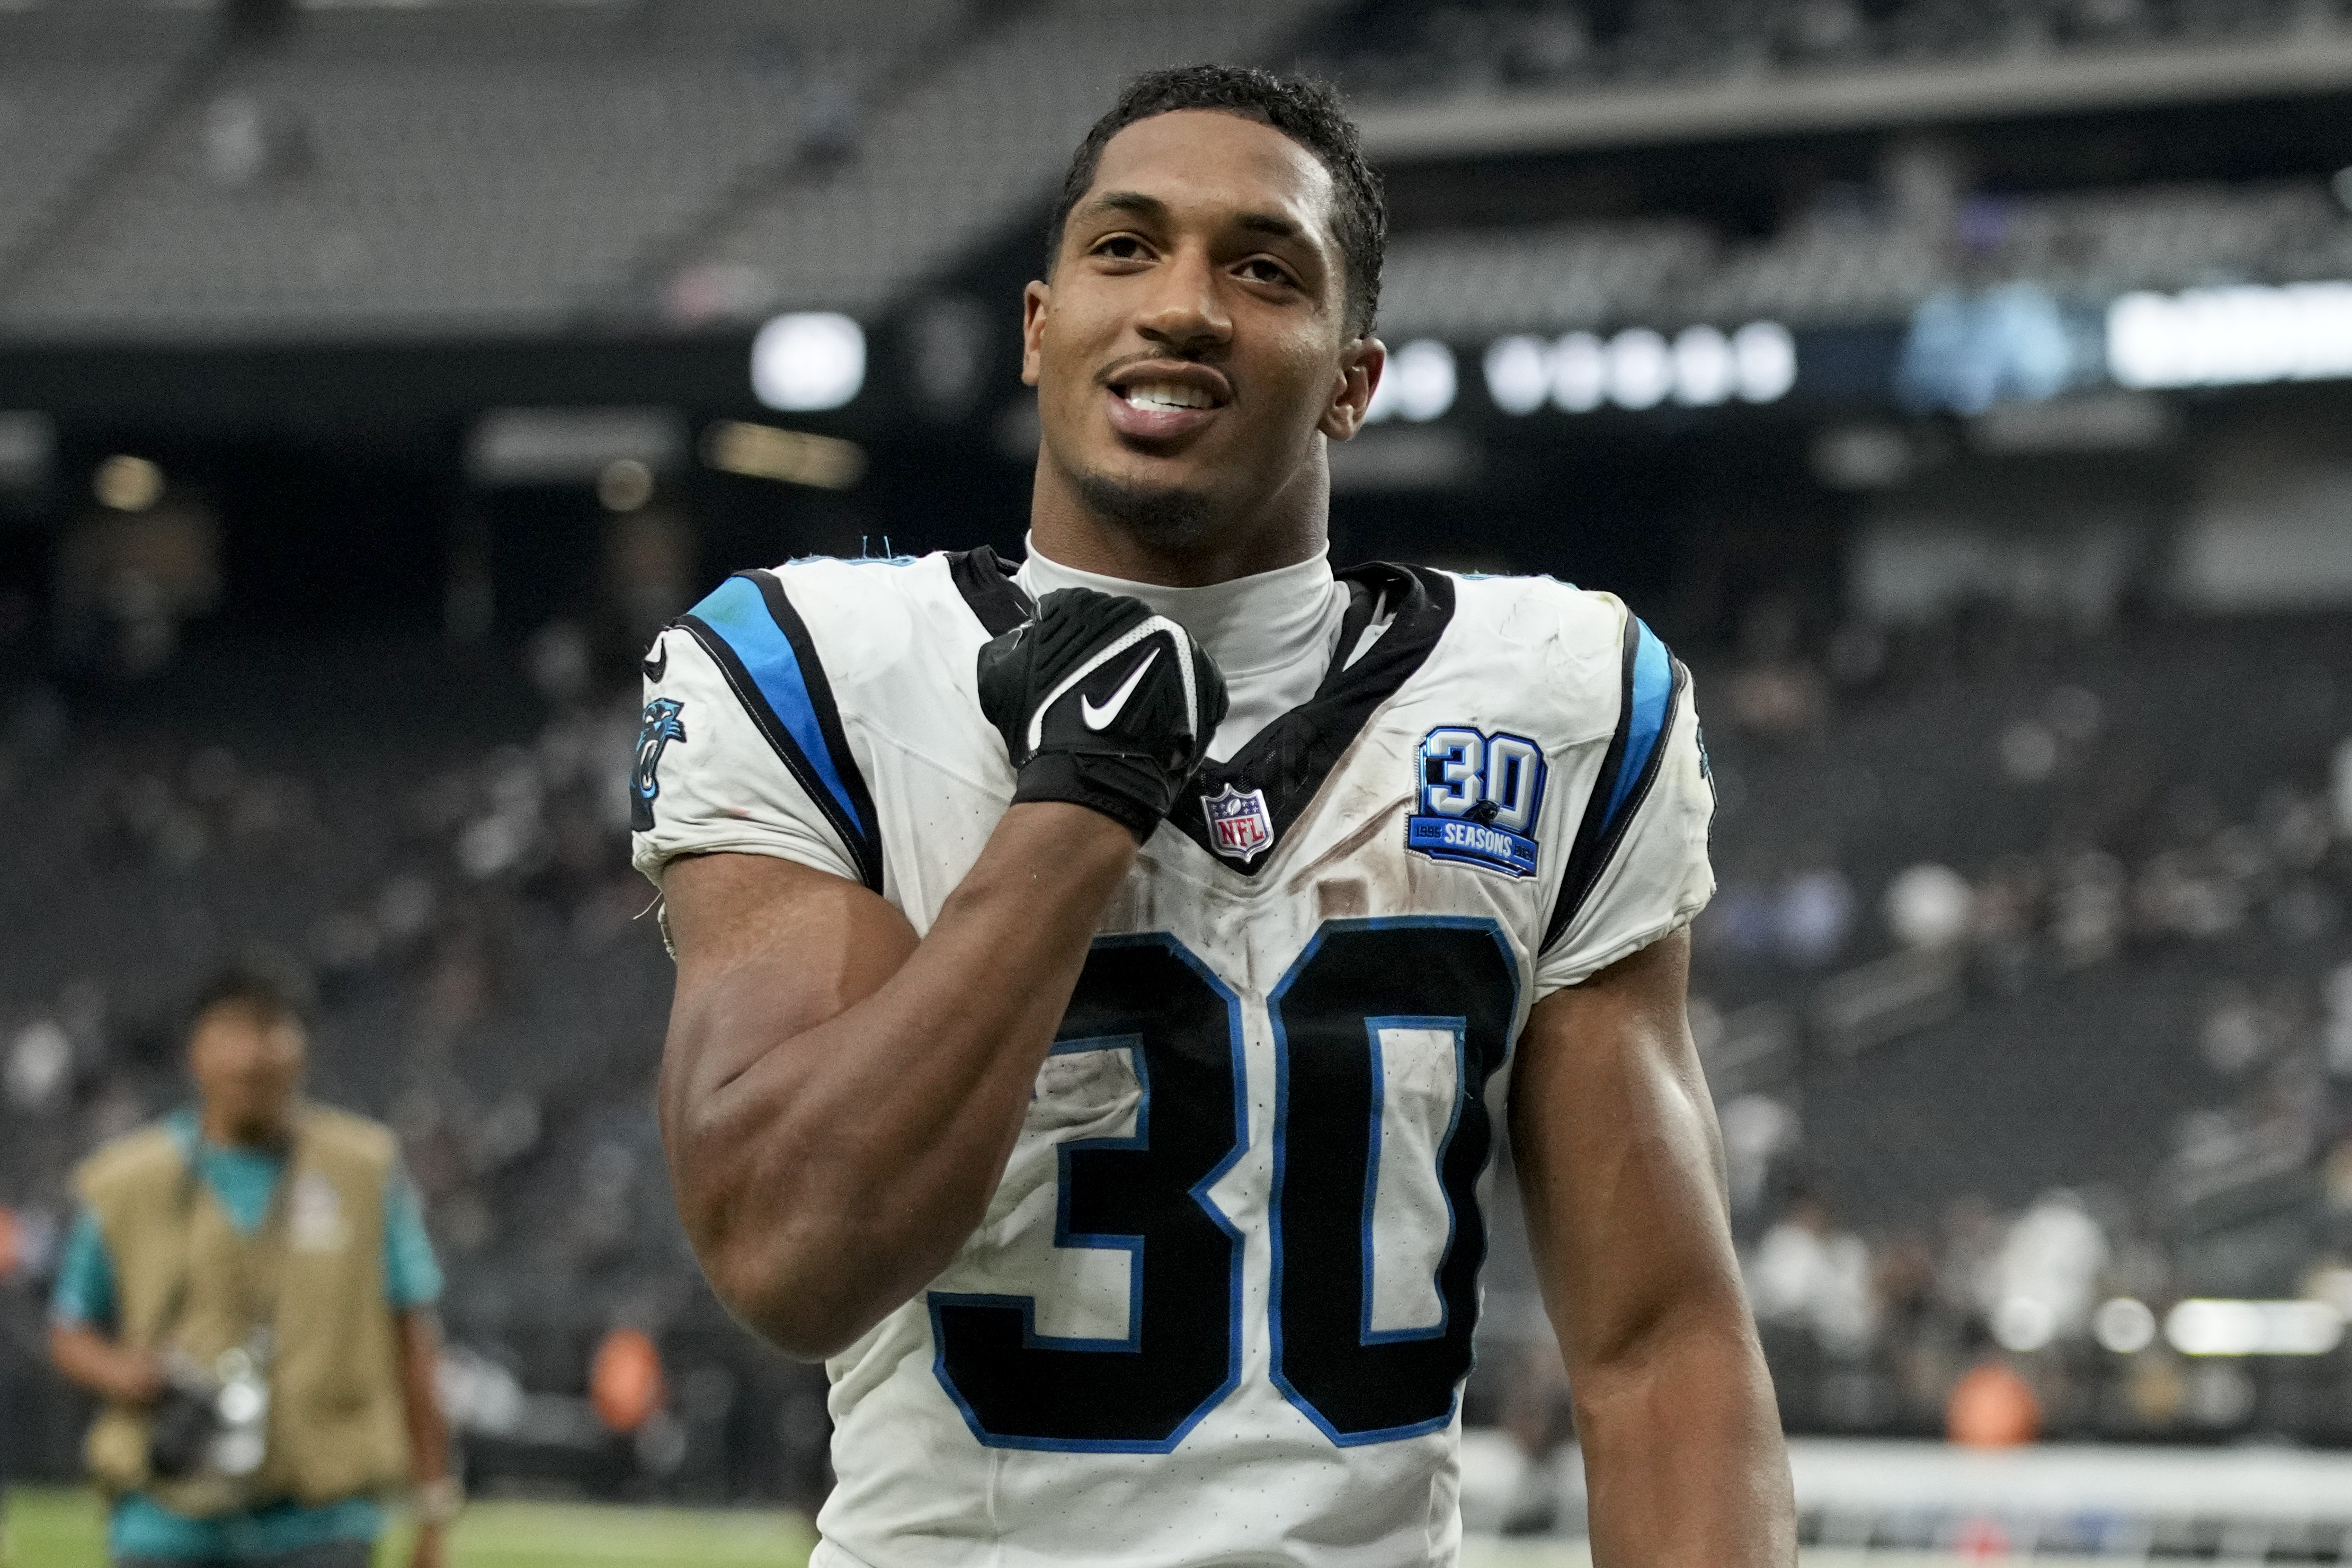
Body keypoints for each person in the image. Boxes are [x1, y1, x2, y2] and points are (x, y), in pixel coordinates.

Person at [638, 65, 1793, 1567]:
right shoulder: (813, 667)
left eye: (1262, 270)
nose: (1183, 304)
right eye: (1126, 248)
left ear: (1351, 380)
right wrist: (1076, 810)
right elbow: (791, 1257)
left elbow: (1660, 1349)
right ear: (1041, 331)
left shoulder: (1561, 696)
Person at [48, 968, 457, 1568]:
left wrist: (432, 1507)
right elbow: (70, 1327)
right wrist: (128, 1372)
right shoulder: (125, 1182)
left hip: (319, 1513)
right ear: (195, 1049)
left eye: (269, 1030)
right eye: (230, 1032)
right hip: (166, 1514)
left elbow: (414, 1342)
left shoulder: (363, 1171)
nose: (250, 1056)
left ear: (303, 1048)